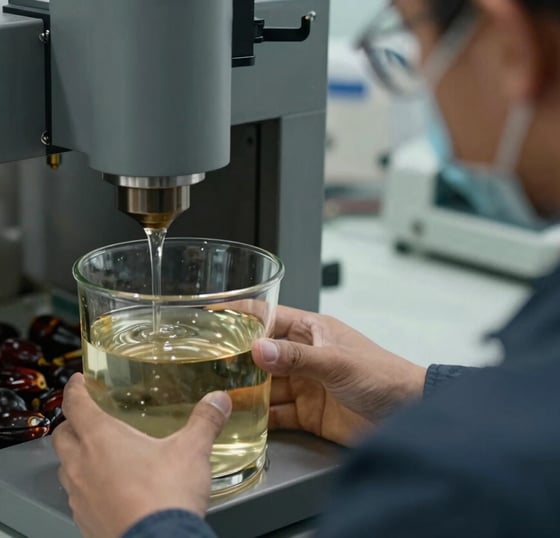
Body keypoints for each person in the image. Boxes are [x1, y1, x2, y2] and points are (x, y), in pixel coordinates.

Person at [52, 0, 560, 536]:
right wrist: (419, 393)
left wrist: (145, 522)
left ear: (511, 49)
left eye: (413, 36)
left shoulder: (455, 485)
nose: (422, 76)